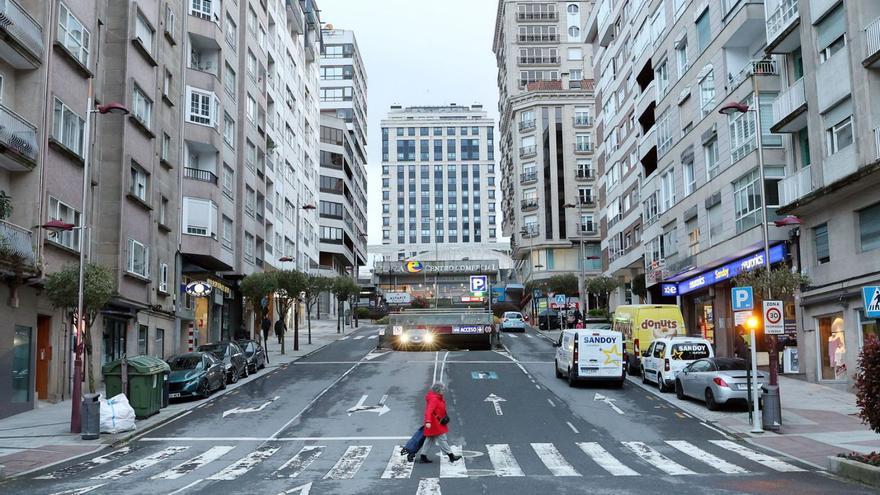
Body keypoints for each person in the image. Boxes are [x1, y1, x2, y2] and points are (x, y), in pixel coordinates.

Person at [409, 382, 462, 464]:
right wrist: (428, 421)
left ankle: (423, 456)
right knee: (442, 439)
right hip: (435, 424)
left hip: (436, 423)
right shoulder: (434, 399)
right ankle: (451, 456)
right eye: (442, 389)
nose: (444, 391)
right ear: (437, 390)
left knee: (429, 440)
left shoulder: (437, 397)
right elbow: (428, 411)